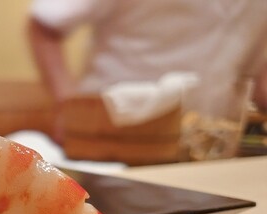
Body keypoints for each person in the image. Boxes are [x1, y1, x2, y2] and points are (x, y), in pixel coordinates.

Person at [28, 0, 267, 144]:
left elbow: (260, 83)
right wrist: (69, 108)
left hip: (210, 147)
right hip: (113, 141)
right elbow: (45, 23)